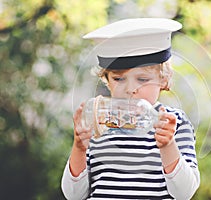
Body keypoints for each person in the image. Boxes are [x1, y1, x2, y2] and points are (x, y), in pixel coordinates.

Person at [61, 18, 200, 200]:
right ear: (107, 81)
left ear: (163, 79)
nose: (130, 89)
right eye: (119, 79)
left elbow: (184, 193)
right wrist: (79, 147)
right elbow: (73, 195)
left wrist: (167, 145)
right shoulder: (97, 122)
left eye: (142, 79)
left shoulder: (174, 124)